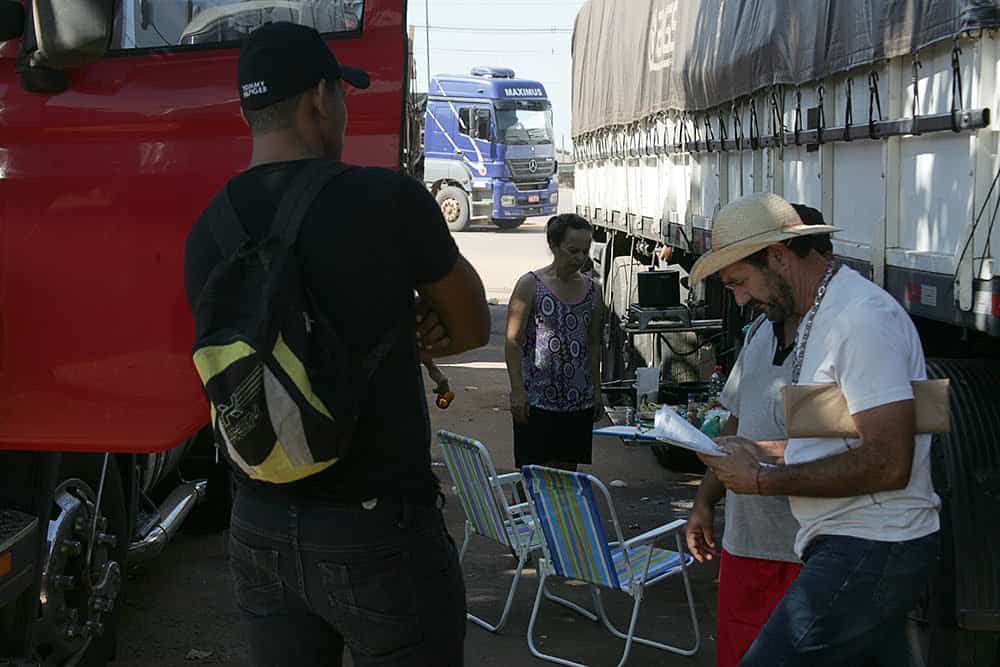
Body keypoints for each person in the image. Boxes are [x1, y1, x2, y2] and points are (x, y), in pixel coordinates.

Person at [183, 22, 490, 667]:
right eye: (342, 96)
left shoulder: (208, 229)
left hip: (258, 526)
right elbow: (471, 326)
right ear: (320, 98)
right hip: (377, 527)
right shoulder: (386, 198)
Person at [689, 193, 940, 666]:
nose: (739, 298)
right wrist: (762, 450)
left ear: (779, 257)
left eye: (740, 281)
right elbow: (841, 438)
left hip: (872, 542)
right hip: (855, 542)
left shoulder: (861, 319)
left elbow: (889, 461)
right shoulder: (817, 318)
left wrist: (763, 480)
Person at [685, 205, 831, 667]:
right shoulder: (761, 335)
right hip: (746, 546)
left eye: (741, 283)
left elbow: (837, 450)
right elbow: (736, 425)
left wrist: (762, 466)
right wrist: (706, 500)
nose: (742, 300)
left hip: (806, 551)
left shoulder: (834, 338)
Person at [505, 214, 604, 472]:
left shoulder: (594, 290)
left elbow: (593, 344)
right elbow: (513, 341)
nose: (580, 258)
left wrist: (596, 390)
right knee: (534, 473)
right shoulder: (530, 285)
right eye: (573, 251)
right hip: (536, 401)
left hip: (577, 402)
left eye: (585, 251)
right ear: (553, 245)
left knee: (566, 478)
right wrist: (517, 390)